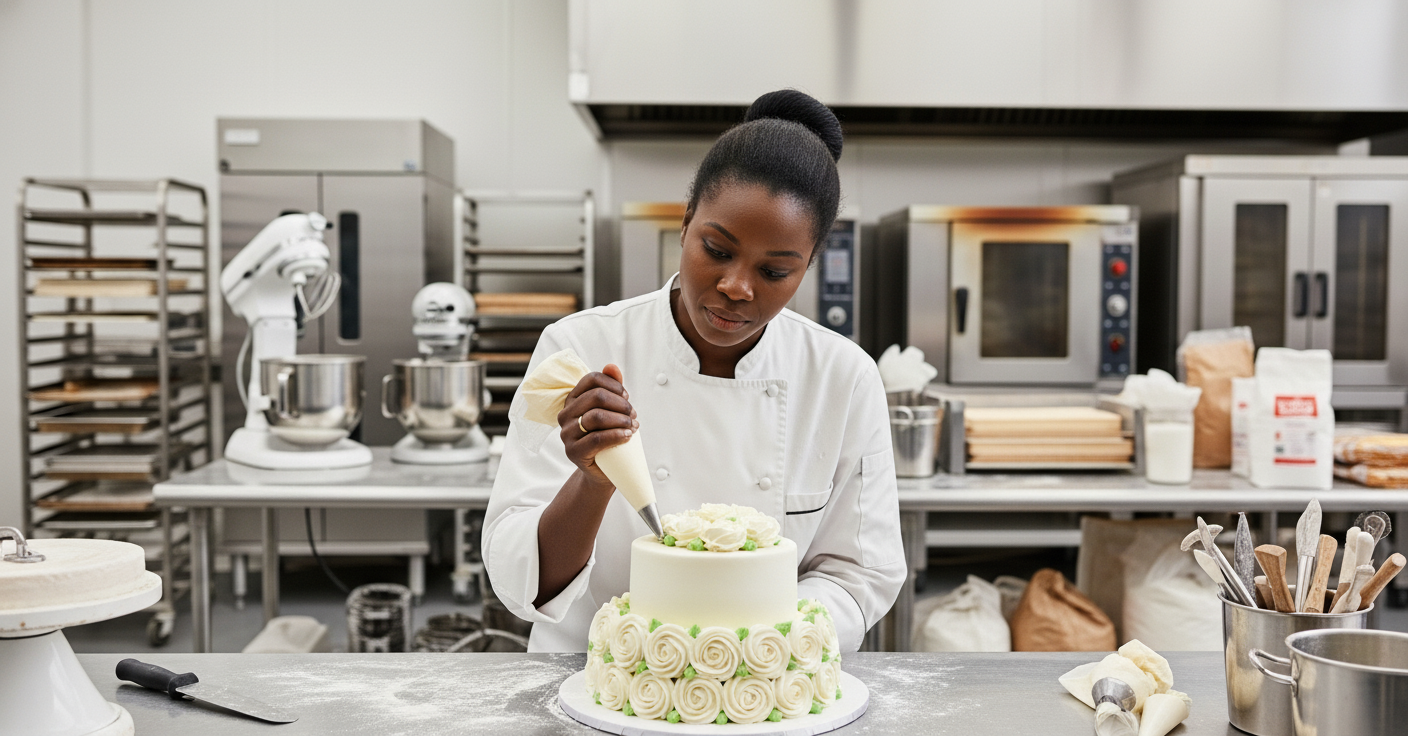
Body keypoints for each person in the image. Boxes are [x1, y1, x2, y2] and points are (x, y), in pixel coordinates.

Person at [483, 89, 904, 653]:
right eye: (717, 249)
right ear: (685, 225)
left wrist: (749, 653)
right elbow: (517, 581)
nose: (737, 287)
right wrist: (592, 482)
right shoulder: (579, 348)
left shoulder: (843, 377)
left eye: (775, 270)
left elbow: (859, 574)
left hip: (762, 691)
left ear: (809, 264)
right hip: (585, 679)